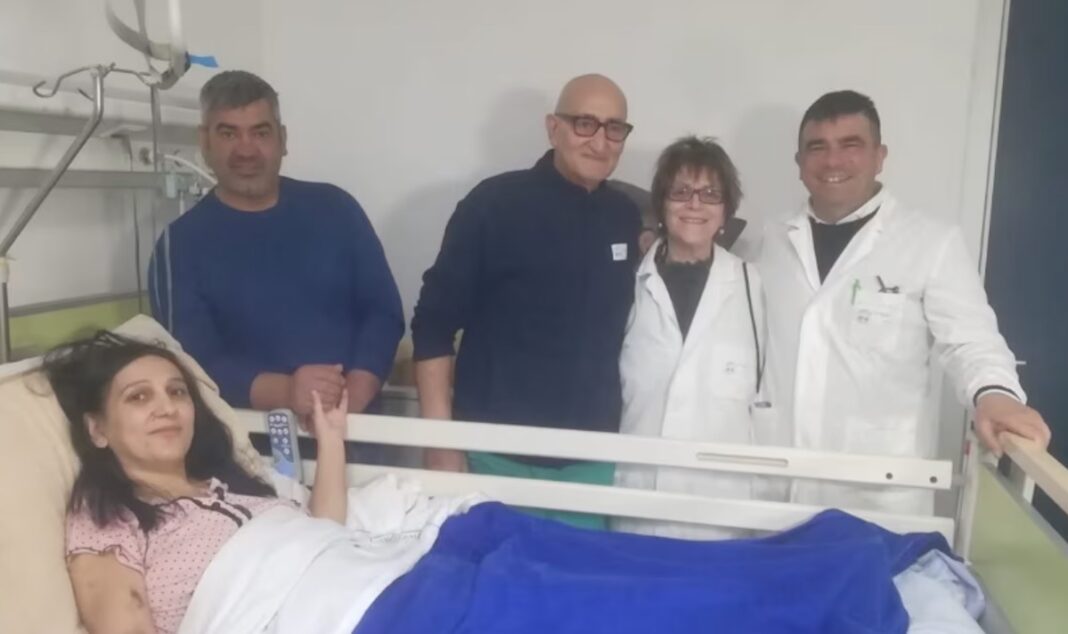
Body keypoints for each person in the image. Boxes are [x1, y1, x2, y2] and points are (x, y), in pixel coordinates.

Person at [756, 90, 1052, 514]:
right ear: (799, 162)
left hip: (877, 493)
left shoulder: (931, 243)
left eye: (851, 145)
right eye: (817, 147)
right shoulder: (767, 241)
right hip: (774, 486)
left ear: (880, 156)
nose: (833, 161)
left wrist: (995, 393)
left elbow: (970, 340)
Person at [409, 74, 641, 529]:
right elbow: (432, 325)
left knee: (578, 573)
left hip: (592, 459)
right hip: (496, 454)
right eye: (585, 124)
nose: (600, 142)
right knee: (494, 571)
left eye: (614, 128)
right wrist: (439, 441)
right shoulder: (494, 205)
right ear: (553, 128)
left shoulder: (626, 216)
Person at [148, 71, 403, 438]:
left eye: (261, 132)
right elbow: (192, 361)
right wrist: (286, 391)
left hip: (355, 434)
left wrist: (352, 400)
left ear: (283, 139)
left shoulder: (336, 210)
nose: (246, 150)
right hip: (244, 447)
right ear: (205, 142)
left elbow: (383, 313)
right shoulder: (178, 246)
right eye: (228, 133)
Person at [46, 332, 350, 634]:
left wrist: (331, 438)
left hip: (352, 586)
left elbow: (323, 534)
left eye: (177, 392)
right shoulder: (108, 518)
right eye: (139, 396)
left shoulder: (232, 489)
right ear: (97, 429)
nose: (167, 408)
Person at [614, 136, 766, 540]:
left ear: (726, 210)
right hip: (639, 503)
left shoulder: (753, 284)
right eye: (681, 192)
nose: (695, 204)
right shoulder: (628, 281)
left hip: (723, 511)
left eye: (710, 194)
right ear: (662, 206)